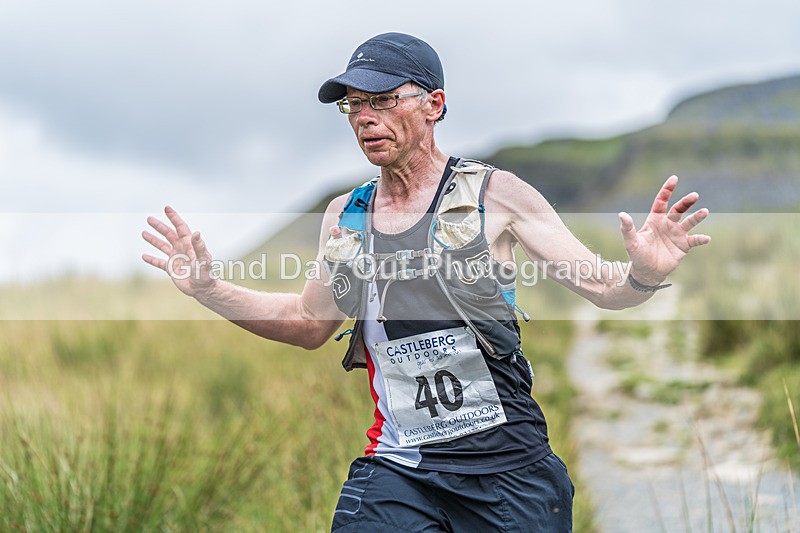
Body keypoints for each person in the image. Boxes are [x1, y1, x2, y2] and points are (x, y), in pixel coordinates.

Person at [142, 32, 710, 532]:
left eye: (384, 101)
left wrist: (642, 272)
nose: (365, 116)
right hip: (400, 468)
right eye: (354, 105)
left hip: (507, 471)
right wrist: (208, 288)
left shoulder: (496, 196)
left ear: (435, 104)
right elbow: (309, 324)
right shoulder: (347, 215)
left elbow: (603, 288)